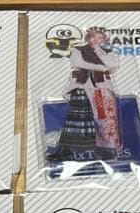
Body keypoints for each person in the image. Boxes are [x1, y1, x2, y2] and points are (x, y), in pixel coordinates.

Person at [49, 27, 120, 161]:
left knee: (102, 117)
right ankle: (65, 149)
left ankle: (105, 149)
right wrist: (101, 68)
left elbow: (111, 65)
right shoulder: (78, 49)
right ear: (88, 38)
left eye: (99, 37)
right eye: (93, 36)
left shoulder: (108, 52)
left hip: (101, 88)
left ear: (104, 39)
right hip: (82, 85)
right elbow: (78, 63)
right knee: (76, 117)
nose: (96, 39)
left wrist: (98, 52)